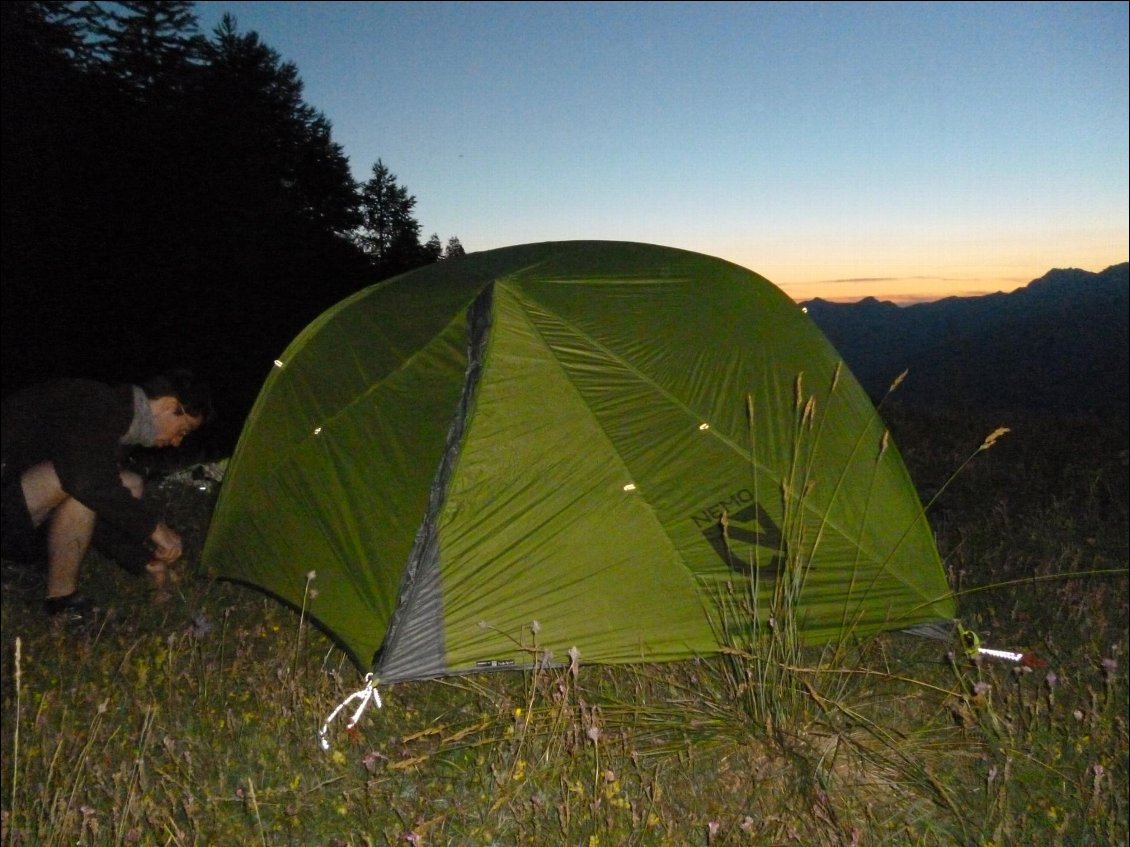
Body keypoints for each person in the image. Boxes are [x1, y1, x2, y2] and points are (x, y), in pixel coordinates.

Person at [1, 370, 213, 618]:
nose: (177, 441)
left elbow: (93, 505)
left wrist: (144, 561)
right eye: (183, 430)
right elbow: (85, 483)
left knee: (124, 483)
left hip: (21, 521)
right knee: (84, 479)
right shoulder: (95, 402)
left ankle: (61, 603)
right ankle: (57, 594)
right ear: (169, 405)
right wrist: (155, 529)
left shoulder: (118, 429)